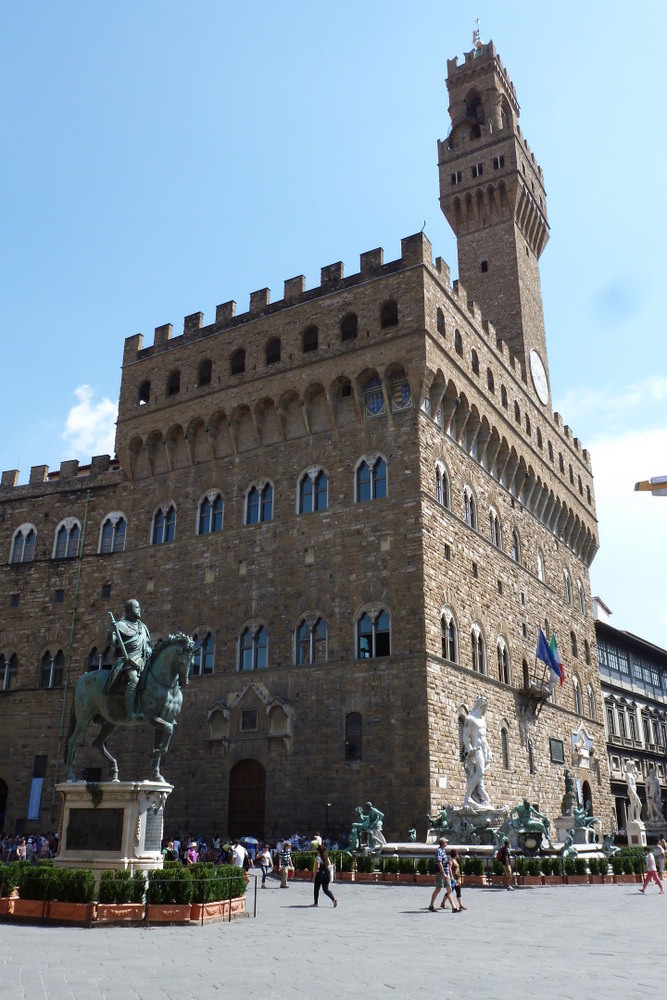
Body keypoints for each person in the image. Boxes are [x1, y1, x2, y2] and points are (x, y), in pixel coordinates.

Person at [104, 598, 152, 722]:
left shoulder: (143, 626)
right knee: (134, 680)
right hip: (128, 661)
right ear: (130, 610)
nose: (140, 610)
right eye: (137, 608)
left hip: (143, 660)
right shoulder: (121, 625)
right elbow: (111, 643)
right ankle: (130, 712)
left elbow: (148, 644)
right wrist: (110, 630)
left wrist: (149, 650)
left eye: (139, 607)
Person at [462, 697, 492, 809]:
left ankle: (484, 800)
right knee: (480, 773)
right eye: (485, 707)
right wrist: (469, 748)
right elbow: (465, 736)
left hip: (484, 748)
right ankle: (467, 798)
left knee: (481, 777)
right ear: (481, 706)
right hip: (476, 748)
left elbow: (483, 736)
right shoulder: (471, 718)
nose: (485, 710)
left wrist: (489, 750)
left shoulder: (482, 719)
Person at [428, 837, 456, 912]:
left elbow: (443, 862)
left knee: (449, 889)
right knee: (438, 889)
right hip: (441, 873)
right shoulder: (439, 851)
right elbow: (439, 862)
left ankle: (454, 907)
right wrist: (443, 873)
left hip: (445, 873)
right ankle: (431, 905)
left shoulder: (443, 851)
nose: (447, 843)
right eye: (446, 842)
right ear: (443, 843)